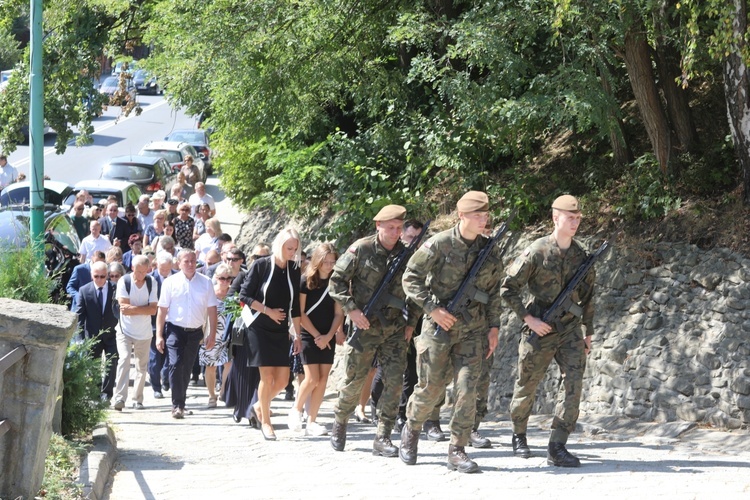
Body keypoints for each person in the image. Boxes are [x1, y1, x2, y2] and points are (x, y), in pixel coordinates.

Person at [399, 191, 503, 474]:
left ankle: (457, 449)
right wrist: (432, 309)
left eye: (485, 215)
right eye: (478, 215)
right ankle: (411, 429)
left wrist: (494, 326)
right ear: (462, 216)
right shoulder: (440, 244)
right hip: (438, 329)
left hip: (473, 330)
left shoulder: (489, 250)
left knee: (468, 389)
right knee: (431, 388)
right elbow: (410, 277)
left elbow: (494, 292)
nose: (483, 220)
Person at [499, 194, 596, 468]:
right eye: (570, 217)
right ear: (556, 218)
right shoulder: (536, 251)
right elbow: (508, 288)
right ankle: (519, 435)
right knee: (526, 385)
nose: (575, 222)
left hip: (570, 329)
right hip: (539, 327)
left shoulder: (582, 256)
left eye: (578, 218)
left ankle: (558, 445)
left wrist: (588, 332)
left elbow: (589, 297)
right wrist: (528, 319)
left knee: (573, 386)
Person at [328, 205, 419, 458]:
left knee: (394, 382)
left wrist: (411, 322)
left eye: (399, 228)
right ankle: (340, 421)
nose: (395, 232)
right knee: (355, 379)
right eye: (390, 227)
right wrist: (351, 310)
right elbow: (335, 282)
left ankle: (384, 436)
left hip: (395, 329)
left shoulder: (407, 254)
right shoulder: (362, 249)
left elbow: (415, 291)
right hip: (364, 326)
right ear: (378, 225)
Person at [239, 228, 302, 440]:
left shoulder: (294, 268)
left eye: (295, 248)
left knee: (284, 380)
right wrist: (268, 311)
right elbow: (244, 295)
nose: (292, 252)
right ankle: (266, 422)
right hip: (259, 326)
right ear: (279, 245)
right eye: (289, 248)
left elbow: (296, 308)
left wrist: (298, 335)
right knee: (266, 377)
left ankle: (259, 405)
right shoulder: (262, 265)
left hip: (281, 329)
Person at [287, 243, 344, 436]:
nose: (329, 265)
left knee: (323, 380)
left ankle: (312, 421)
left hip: (327, 335)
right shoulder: (306, 280)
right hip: (309, 334)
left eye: (332, 262)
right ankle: (296, 410)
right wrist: (317, 336)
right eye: (325, 262)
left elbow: (339, 313)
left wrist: (328, 335)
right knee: (311, 378)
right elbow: (300, 312)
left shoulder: (337, 282)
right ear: (317, 261)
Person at [156, 250, 219, 419]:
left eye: (193, 261)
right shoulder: (170, 282)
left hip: (195, 332)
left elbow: (212, 310)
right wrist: (159, 335)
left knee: (187, 368)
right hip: (175, 329)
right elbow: (162, 310)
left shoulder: (205, 282)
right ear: (179, 263)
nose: (190, 264)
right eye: (186, 261)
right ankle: (177, 405)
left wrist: (212, 334)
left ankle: (180, 403)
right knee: (175, 364)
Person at [112, 256, 158, 411]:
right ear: (133, 268)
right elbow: (123, 307)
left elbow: (153, 309)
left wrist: (134, 309)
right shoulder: (124, 281)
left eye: (144, 272)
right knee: (124, 360)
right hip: (124, 330)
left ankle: (137, 399)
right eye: (138, 272)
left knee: (141, 366)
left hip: (144, 333)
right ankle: (119, 398)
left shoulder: (152, 282)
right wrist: (142, 309)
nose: (141, 275)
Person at [75, 261, 119, 403]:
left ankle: (107, 394)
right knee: (93, 366)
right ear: (91, 275)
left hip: (112, 334)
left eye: (103, 276)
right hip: (92, 335)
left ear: (107, 275)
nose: (100, 279)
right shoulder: (84, 290)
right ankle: (95, 394)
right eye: (96, 276)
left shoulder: (116, 288)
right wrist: (80, 338)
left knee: (112, 363)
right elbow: (80, 316)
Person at [199, 263, 234, 408]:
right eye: (221, 278)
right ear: (216, 278)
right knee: (210, 366)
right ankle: (211, 395)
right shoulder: (210, 292)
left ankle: (223, 391)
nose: (225, 281)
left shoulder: (234, 294)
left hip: (228, 334)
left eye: (228, 278)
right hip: (211, 333)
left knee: (229, 364)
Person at [148, 252, 177, 399]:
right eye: (161, 269)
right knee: (154, 358)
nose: (164, 272)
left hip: (174, 322)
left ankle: (166, 377)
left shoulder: (179, 277)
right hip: (154, 324)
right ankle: (156, 387)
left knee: (170, 356)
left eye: (167, 269)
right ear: (156, 265)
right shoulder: (150, 279)